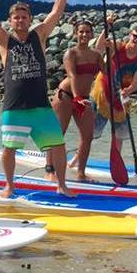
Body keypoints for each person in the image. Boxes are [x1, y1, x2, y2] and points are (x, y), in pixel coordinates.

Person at [0, 0, 75, 198]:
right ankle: (9, 185)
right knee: (9, 149)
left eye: (24, 17)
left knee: (58, 145)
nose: (20, 20)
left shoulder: (39, 35)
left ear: (30, 19)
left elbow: (56, 12)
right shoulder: (4, 39)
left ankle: (62, 185)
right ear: (10, 21)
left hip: (40, 107)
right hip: (14, 108)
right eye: (16, 17)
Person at [50, 19, 104, 181]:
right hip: (66, 96)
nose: (84, 34)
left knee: (87, 136)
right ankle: (50, 170)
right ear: (75, 34)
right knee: (58, 134)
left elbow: (107, 72)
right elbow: (72, 75)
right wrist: (76, 97)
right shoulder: (71, 53)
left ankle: (80, 173)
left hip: (84, 99)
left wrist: (111, 51)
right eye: (81, 31)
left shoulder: (96, 55)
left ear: (92, 34)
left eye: (87, 31)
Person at [89, 15, 137, 153]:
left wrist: (127, 91)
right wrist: (108, 26)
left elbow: (135, 83)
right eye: (135, 36)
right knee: (91, 131)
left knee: (119, 134)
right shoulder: (117, 46)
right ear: (130, 35)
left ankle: (117, 162)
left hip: (119, 97)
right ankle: (77, 160)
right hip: (102, 92)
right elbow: (99, 47)